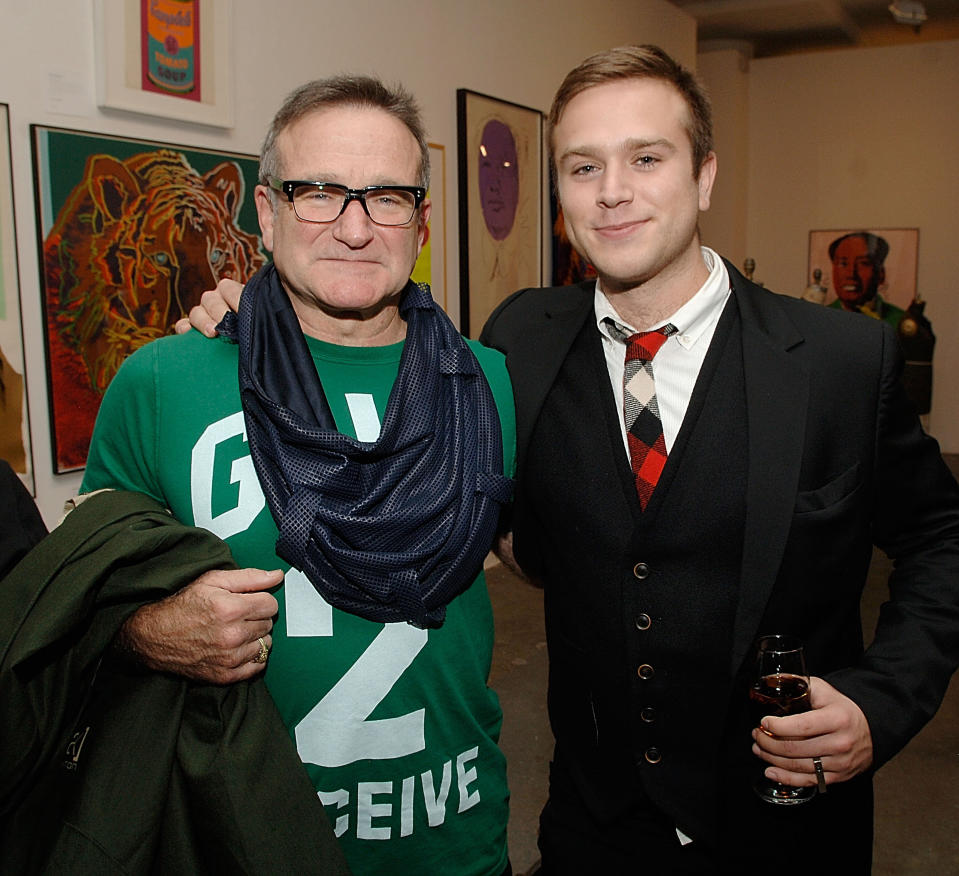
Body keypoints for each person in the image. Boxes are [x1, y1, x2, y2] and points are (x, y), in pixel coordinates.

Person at [477, 46, 959, 874]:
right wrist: (248, 327)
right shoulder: (519, 337)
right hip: (593, 822)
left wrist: (882, 703)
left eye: (646, 158)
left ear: (703, 177)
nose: (612, 191)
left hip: (784, 822)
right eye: (582, 165)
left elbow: (942, 539)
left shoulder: (840, 362)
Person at [83, 75, 516, 876]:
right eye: (319, 192)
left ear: (422, 219)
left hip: (452, 840)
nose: (354, 227)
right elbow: (74, 606)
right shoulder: (160, 382)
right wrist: (147, 633)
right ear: (267, 209)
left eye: (386, 196)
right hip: (238, 838)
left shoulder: (488, 382)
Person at [827, 230, 904, 327]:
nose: (851, 274)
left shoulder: (901, 323)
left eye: (863, 263)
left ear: (881, 274)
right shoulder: (820, 320)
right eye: (843, 264)